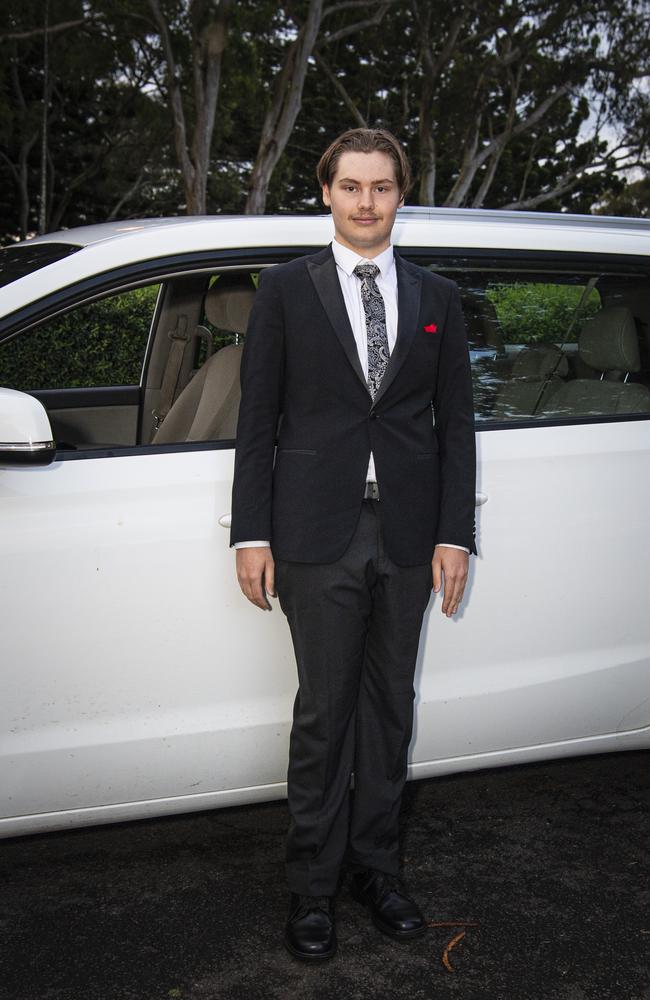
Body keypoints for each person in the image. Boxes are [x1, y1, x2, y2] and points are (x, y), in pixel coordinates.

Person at [231, 127, 476, 961]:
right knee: (323, 715)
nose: (366, 202)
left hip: (408, 536)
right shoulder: (284, 291)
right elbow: (256, 419)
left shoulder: (438, 297)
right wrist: (250, 533)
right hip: (312, 534)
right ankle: (311, 888)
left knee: (389, 711)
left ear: (401, 195)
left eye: (381, 187)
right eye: (350, 187)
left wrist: (454, 534)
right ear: (326, 193)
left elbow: (456, 430)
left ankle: (377, 870)